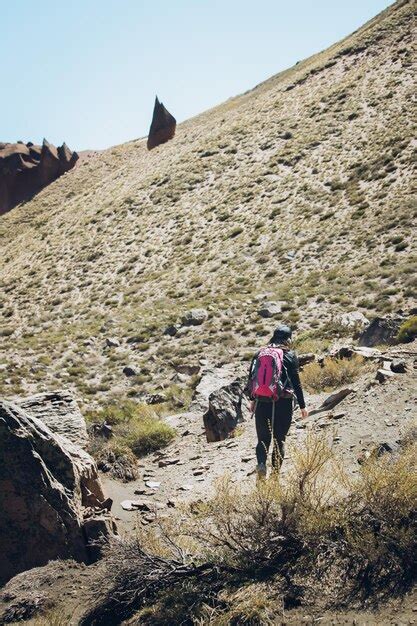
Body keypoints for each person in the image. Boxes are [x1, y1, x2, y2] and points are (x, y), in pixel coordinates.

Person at [249, 324, 308, 477]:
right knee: (279, 440)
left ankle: (261, 463)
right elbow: (296, 383)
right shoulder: (290, 355)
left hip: (262, 401)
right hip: (283, 403)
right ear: (289, 339)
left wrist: (252, 400)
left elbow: (251, 378)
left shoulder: (259, 353)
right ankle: (275, 476)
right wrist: (302, 406)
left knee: (263, 439)